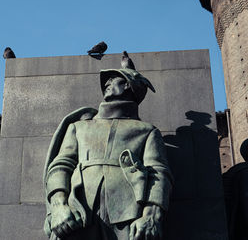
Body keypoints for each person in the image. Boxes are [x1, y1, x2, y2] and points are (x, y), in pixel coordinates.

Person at [43, 61, 173, 240]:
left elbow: (159, 173)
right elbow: (60, 166)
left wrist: (151, 215)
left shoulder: (146, 131)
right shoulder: (79, 127)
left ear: (127, 85)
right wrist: (58, 206)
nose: (106, 83)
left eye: (114, 80)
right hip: (78, 212)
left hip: (128, 217)